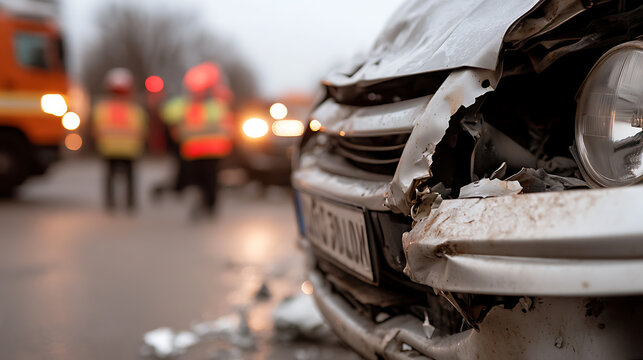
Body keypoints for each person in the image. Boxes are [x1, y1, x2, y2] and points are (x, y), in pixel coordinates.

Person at [161, 62, 233, 218]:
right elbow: (167, 112)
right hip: (193, 152)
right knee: (199, 181)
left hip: (212, 151)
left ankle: (210, 207)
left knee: (211, 181)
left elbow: (227, 125)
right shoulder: (186, 106)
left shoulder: (215, 106)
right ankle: (202, 205)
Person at [93, 68, 147, 211]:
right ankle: (130, 203)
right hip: (130, 150)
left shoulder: (102, 109)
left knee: (110, 177)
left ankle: (111, 204)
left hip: (109, 149)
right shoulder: (134, 110)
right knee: (129, 178)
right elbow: (142, 131)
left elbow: (96, 130)